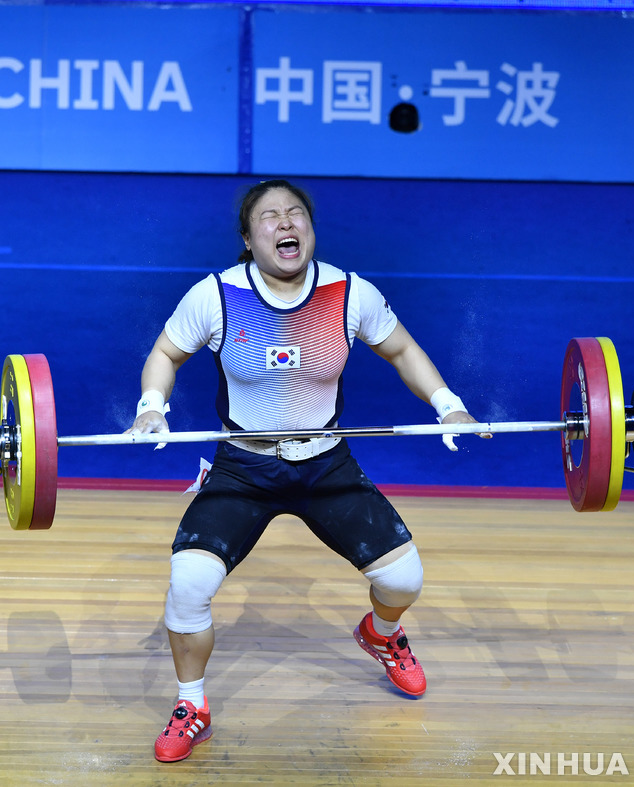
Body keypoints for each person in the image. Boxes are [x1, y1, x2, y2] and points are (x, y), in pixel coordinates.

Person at [128, 179, 488, 763]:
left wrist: (448, 403)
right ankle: (192, 703)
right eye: (269, 217)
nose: (285, 223)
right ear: (249, 240)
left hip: (324, 463)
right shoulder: (216, 295)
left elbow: (401, 351)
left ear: (311, 231)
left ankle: (381, 634)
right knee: (187, 587)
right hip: (243, 467)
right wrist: (151, 406)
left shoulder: (350, 292)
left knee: (404, 582)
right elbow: (166, 354)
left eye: (296, 214)